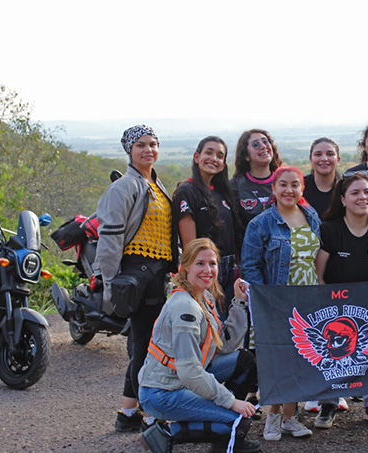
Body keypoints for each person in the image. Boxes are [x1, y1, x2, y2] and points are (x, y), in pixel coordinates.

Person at [137, 238, 260, 453]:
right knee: (238, 420)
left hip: (180, 381)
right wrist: (230, 401)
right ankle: (165, 432)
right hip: (163, 393)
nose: (208, 270)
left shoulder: (202, 296)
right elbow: (189, 371)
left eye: (212, 264)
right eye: (200, 264)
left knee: (245, 362)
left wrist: (240, 302)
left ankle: (220, 427)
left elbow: (225, 345)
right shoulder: (185, 308)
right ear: (185, 267)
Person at [93, 124, 177, 432]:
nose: (148, 150)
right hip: (135, 273)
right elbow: (110, 237)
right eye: (140, 145)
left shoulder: (155, 184)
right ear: (129, 150)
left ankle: (127, 412)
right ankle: (149, 413)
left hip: (155, 275)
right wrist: (108, 282)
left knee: (145, 343)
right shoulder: (124, 187)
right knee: (145, 345)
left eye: (153, 144)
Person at [312, 173, 368, 429]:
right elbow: (319, 276)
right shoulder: (329, 230)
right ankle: (328, 404)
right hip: (334, 306)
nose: (363, 197)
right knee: (332, 354)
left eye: (367, 192)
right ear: (342, 199)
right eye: (355, 193)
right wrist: (329, 306)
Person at [241, 165, 320, 442]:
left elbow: (317, 258)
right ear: (273, 188)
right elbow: (250, 268)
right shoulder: (260, 223)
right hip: (276, 300)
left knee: (300, 358)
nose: (289, 190)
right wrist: (264, 302)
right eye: (283, 185)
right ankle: (273, 415)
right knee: (278, 360)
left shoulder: (311, 216)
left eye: (295, 185)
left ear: (302, 188)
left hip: (308, 299)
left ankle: (289, 417)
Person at [172, 136, 241, 319]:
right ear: (197, 157)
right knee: (213, 324)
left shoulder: (222, 191)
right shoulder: (187, 191)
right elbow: (191, 247)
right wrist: (209, 281)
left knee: (231, 326)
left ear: (223, 164)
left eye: (219, 156)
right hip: (206, 271)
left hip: (230, 270)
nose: (213, 159)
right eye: (208, 153)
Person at [230, 129, 283, 232]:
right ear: (246, 155)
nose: (263, 146)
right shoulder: (235, 186)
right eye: (255, 145)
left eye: (266, 142)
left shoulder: (285, 181)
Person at [303, 137, 341, 217]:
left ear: (338, 160)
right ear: (311, 159)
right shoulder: (299, 188)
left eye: (330, 154)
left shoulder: (346, 188)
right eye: (318, 154)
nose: (324, 159)